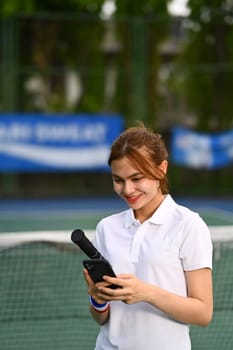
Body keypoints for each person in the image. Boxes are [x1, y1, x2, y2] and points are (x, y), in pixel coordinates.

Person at [83, 125, 213, 350]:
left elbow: (203, 313)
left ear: (161, 169)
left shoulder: (189, 225)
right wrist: (98, 299)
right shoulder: (106, 228)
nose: (128, 189)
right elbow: (102, 319)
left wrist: (146, 293)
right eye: (118, 180)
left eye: (137, 178)